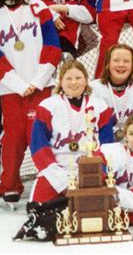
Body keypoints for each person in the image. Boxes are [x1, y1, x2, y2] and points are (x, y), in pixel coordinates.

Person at [0, 0, 61, 206]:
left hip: (41, 85)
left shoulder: (38, 7)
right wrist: (16, 83)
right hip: (11, 89)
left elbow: (52, 46)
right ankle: (10, 184)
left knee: (39, 134)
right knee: (13, 136)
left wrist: (37, 81)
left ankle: (50, 180)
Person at [29, 60, 116, 203]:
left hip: (90, 168)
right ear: (61, 81)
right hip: (58, 168)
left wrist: (95, 172)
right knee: (38, 207)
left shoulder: (100, 107)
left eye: (78, 78)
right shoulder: (48, 106)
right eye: (68, 78)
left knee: (102, 207)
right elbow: (39, 148)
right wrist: (60, 180)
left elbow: (107, 146)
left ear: (86, 80)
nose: (73, 82)